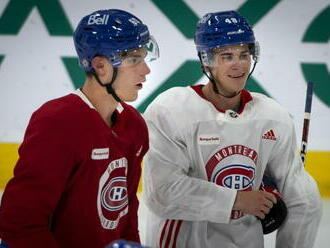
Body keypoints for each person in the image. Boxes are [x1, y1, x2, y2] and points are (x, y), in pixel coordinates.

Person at [142, 10, 322, 248]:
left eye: (244, 54)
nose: (238, 64)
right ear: (206, 60)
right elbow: (162, 193)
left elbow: (303, 200)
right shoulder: (170, 109)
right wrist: (238, 200)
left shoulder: (273, 116)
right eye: (226, 56)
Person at [0, 9, 159, 248]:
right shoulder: (57, 121)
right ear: (101, 66)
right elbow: (20, 222)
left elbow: (124, 213)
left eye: (144, 58)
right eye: (134, 59)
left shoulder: (135, 126)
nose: (146, 70)